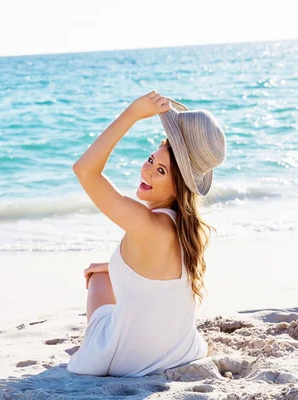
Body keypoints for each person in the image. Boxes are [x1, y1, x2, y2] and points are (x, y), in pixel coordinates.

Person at [67, 90, 226, 377]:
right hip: (180, 350)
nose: (148, 171)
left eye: (161, 170)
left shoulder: (147, 225)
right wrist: (114, 267)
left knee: (98, 278)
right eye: (151, 159)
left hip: (126, 362)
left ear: (178, 186)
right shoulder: (188, 226)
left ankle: (98, 341)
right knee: (108, 271)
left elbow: (85, 170)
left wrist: (131, 115)